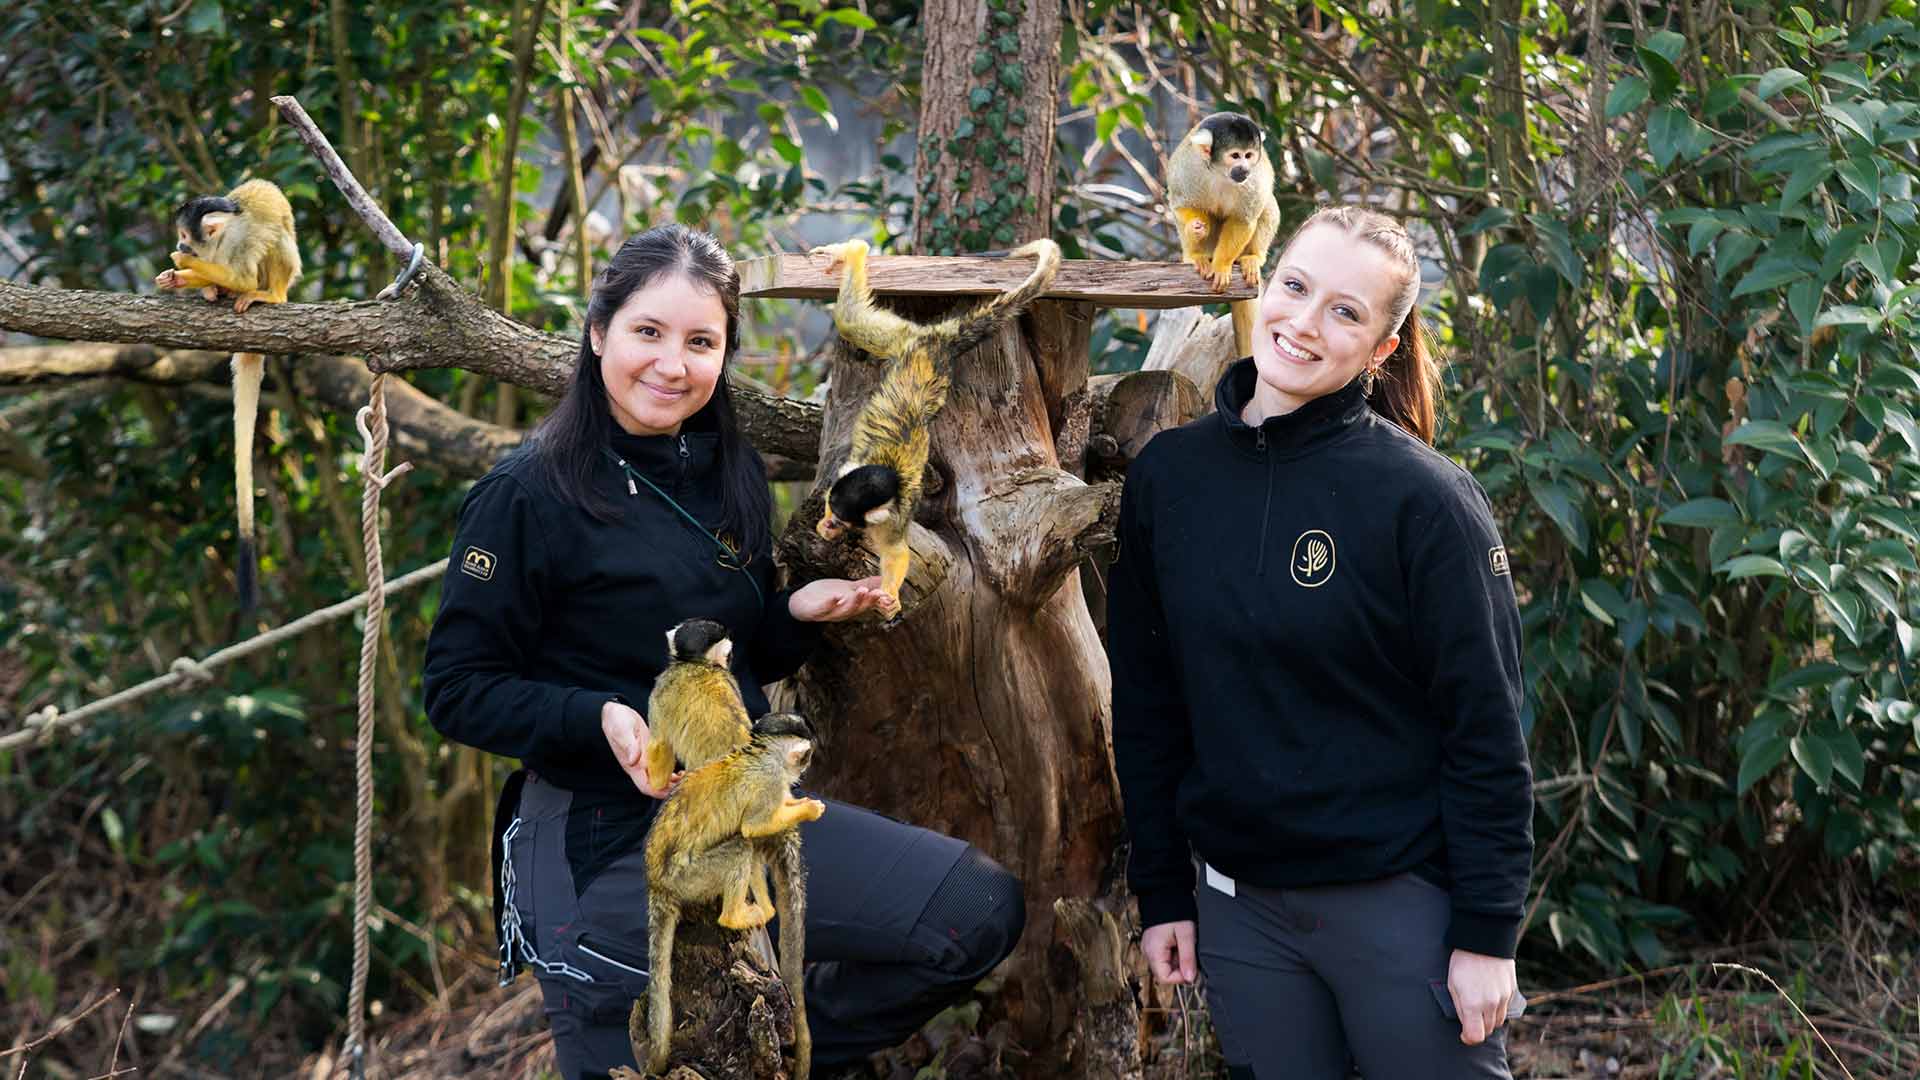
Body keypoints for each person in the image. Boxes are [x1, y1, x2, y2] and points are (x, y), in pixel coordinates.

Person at [421, 224, 1025, 1080]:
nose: (672, 364)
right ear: (597, 333)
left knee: (973, 910)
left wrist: (797, 614)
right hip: (599, 838)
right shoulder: (525, 494)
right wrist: (600, 717)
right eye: (648, 332)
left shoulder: (725, 472)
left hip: (734, 811)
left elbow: (736, 665)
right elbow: (456, 689)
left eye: (701, 342)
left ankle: (768, 1046)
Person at [1106, 205, 1534, 1079]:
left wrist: (1488, 935)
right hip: (1240, 912)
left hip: (1398, 907)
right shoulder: (1168, 479)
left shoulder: (1426, 502)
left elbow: (1487, 732)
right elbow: (1147, 703)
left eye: (1345, 311)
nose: (1304, 323)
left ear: (1382, 348)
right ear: (1265, 283)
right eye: (1295, 287)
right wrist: (1163, 890)